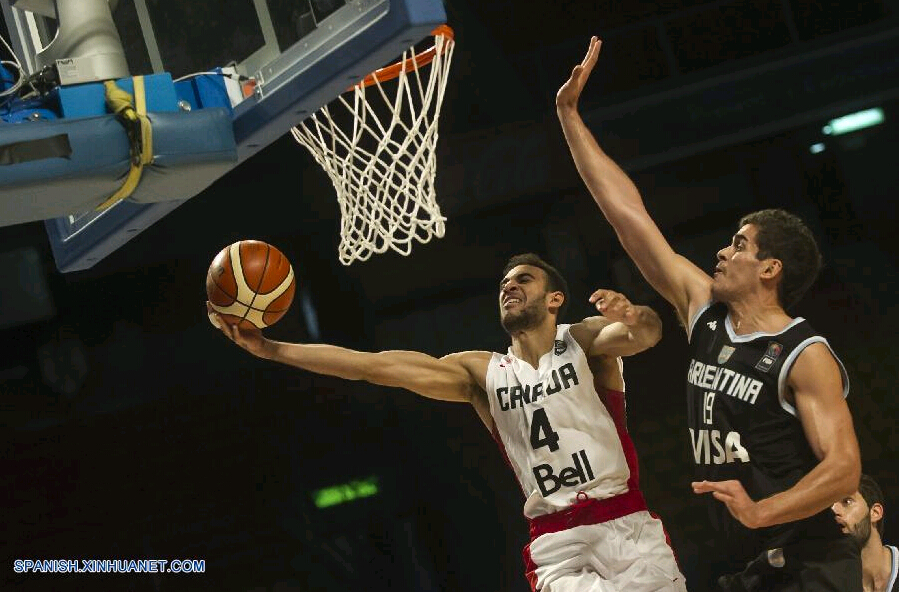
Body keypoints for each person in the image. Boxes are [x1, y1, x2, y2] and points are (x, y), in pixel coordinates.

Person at [555, 37, 862, 591]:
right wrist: (569, 116)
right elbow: (629, 215)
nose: (723, 251)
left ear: (770, 269)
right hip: (746, 563)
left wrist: (763, 512)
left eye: (739, 245)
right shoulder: (705, 313)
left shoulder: (803, 355)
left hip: (810, 563)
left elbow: (844, 468)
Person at [208, 252, 687, 591]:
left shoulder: (581, 339)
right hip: (557, 540)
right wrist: (271, 349)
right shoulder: (480, 371)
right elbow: (372, 366)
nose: (509, 287)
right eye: (504, 284)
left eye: (523, 280)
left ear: (556, 298)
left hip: (626, 522)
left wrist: (635, 312)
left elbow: (644, 335)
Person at [832, 474, 899, 592]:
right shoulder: (830, 581)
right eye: (830, 505)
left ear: (875, 512)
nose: (834, 510)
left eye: (847, 501)